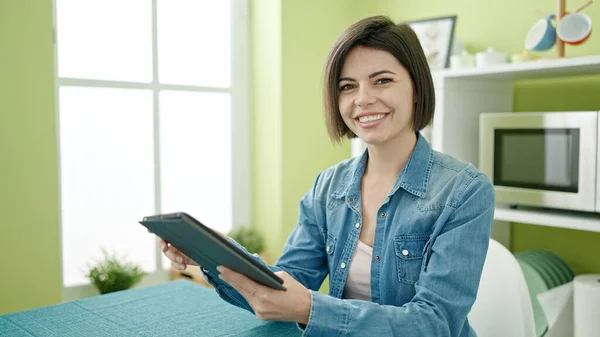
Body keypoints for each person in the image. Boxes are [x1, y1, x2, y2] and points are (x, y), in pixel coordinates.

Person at [158, 15, 495, 336]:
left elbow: (434, 325)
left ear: (417, 87)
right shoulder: (328, 187)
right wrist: (215, 253)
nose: (363, 99)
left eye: (382, 80)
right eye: (347, 87)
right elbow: (282, 287)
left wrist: (309, 308)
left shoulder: (464, 191)